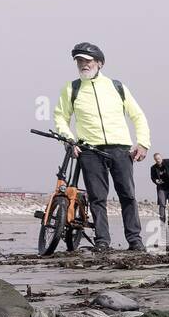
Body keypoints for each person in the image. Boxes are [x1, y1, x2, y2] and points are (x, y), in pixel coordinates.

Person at [53, 41, 150, 252]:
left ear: (99, 63)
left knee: (128, 195)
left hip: (120, 148)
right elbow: (61, 117)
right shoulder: (72, 88)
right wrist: (69, 139)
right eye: (79, 61)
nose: (83, 64)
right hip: (89, 150)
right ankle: (102, 240)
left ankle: (135, 240)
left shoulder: (117, 86)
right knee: (97, 197)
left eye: (87, 61)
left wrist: (143, 142)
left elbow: (138, 115)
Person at [150, 154, 169, 224]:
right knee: (162, 204)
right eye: (156, 159)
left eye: (159, 158)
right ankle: (162, 221)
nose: (158, 160)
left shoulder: (168, 162)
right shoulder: (153, 168)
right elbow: (153, 178)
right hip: (161, 188)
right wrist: (156, 181)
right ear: (154, 160)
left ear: (161, 157)